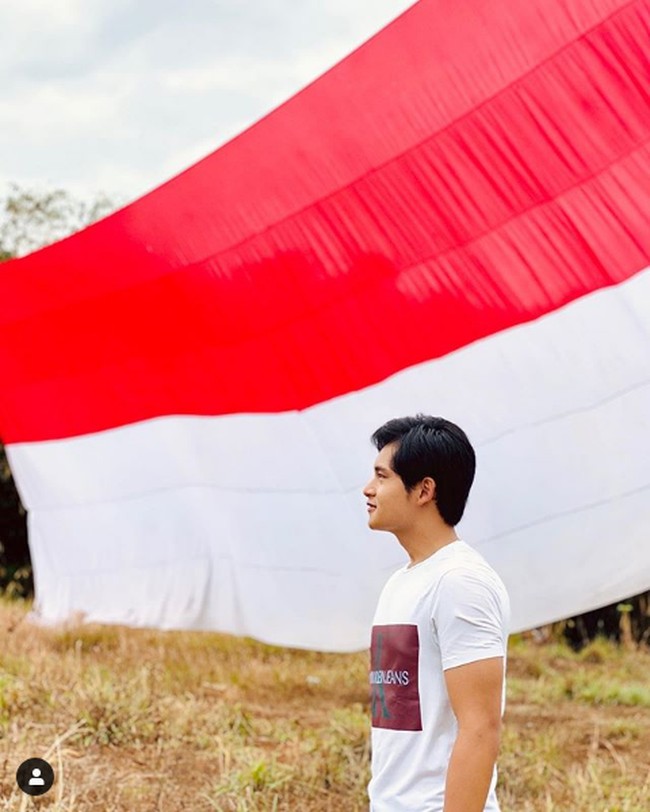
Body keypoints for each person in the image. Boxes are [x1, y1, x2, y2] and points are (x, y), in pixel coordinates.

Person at [364, 414, 510, 812]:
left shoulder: (460, 583)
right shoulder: (402, 582)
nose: (368, 489)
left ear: (424, 489)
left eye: (382, 477)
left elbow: (481, 728)